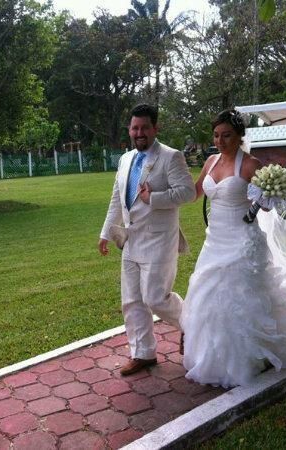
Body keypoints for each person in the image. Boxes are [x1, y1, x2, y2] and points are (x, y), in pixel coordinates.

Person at [180, 109, 286, 388]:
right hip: (214, 242)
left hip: (242, 241)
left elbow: (268, 205)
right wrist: (166, 189)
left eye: (227, 135)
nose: (220, 141)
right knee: (208, 297)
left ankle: (249, 357)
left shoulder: (251, 165)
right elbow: (195, 193)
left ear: (239, 135)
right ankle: (213, 355)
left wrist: (266, 199)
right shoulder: (210, 161)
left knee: (240, 299)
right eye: (216, 135)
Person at [99, 103, 196, 376]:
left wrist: (153, 198)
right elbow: (117, 198)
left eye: (144, 127)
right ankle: (143, 353)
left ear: (155, 128)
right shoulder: (125, 159)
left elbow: (188, 192)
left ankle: (194, 325)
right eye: (134, 128)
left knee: (155, 298)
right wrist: (106, 233)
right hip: (130, 241)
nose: (139, 132)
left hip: (159, 241)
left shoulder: (171, 157)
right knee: (131, 300)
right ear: (129, 129)